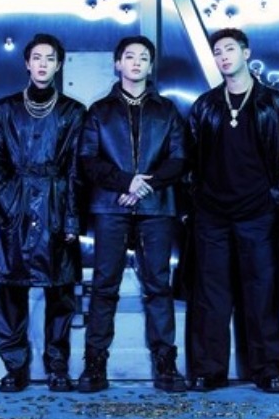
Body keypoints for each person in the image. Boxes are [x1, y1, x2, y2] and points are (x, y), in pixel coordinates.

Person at [186, 28, 279, 394]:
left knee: (261, 293)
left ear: (246, 53)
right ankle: (208, 370)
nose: (223, 56)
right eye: (217, 51)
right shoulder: (205, 105)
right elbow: (189, 159)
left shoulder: (276, 104)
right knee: (211, 295)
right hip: (212, 215)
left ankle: (267, 370)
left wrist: (274, 198)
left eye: (230, 49)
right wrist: (198, 200)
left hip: (258, 213)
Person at [76, 35, 188, 393]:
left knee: (158, 285)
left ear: (150, 66)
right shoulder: (99, 111)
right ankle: (95, 364)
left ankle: (166, 364)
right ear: (117, 63)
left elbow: (179, 158)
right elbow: (88, 160)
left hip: (156, 207)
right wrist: (126, 182)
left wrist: (143, 186)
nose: (136, 62)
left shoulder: (167, 110)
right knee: (104, 285)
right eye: (129, 56)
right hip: (111, 206)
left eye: (143, 57)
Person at [0, 33, 86, 393]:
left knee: (60, 293)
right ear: (27, 63)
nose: (43, 64)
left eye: (50, 58)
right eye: (37, 58)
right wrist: (8, 201)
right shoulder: (6, 108)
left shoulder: (74, 111)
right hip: (15, 205)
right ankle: (15, 368)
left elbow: (77, 168)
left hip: (56, 204)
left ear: (59, 65)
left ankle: (57, 366)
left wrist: (71, 217)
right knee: (12, 293)